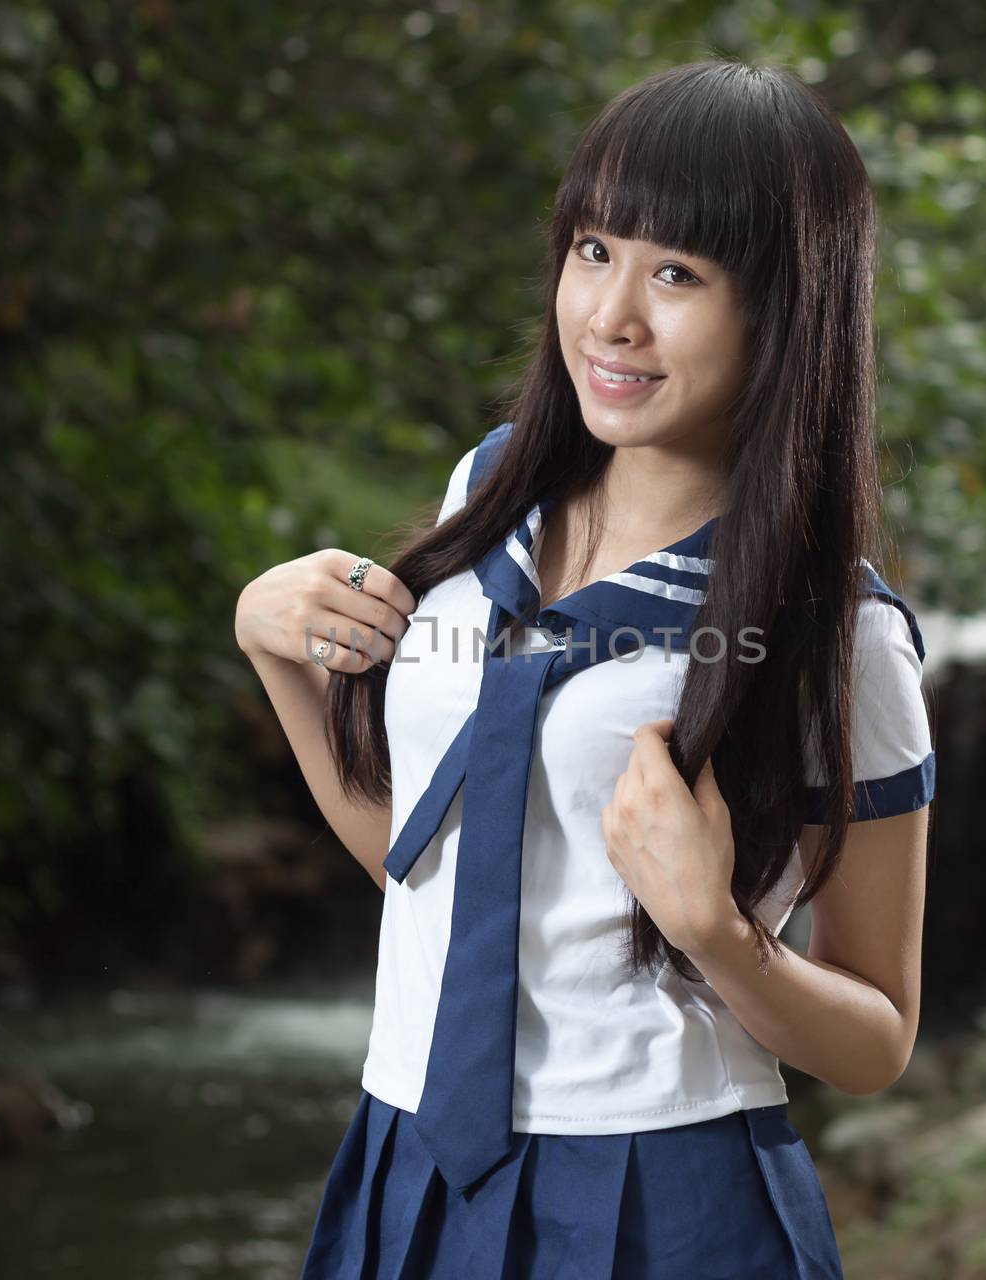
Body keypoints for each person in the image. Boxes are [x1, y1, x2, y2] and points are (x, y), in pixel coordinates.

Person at [235, 56, 935, 1280]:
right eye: (594, 250)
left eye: (678, 273)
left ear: (784, 307)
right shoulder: (485, 496)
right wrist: (276, 656)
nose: (611, 316)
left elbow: (878, 1037)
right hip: (410, 1154)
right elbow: (426, 874)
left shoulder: (836, 632)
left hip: (660, 1192)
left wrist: (719, 934)